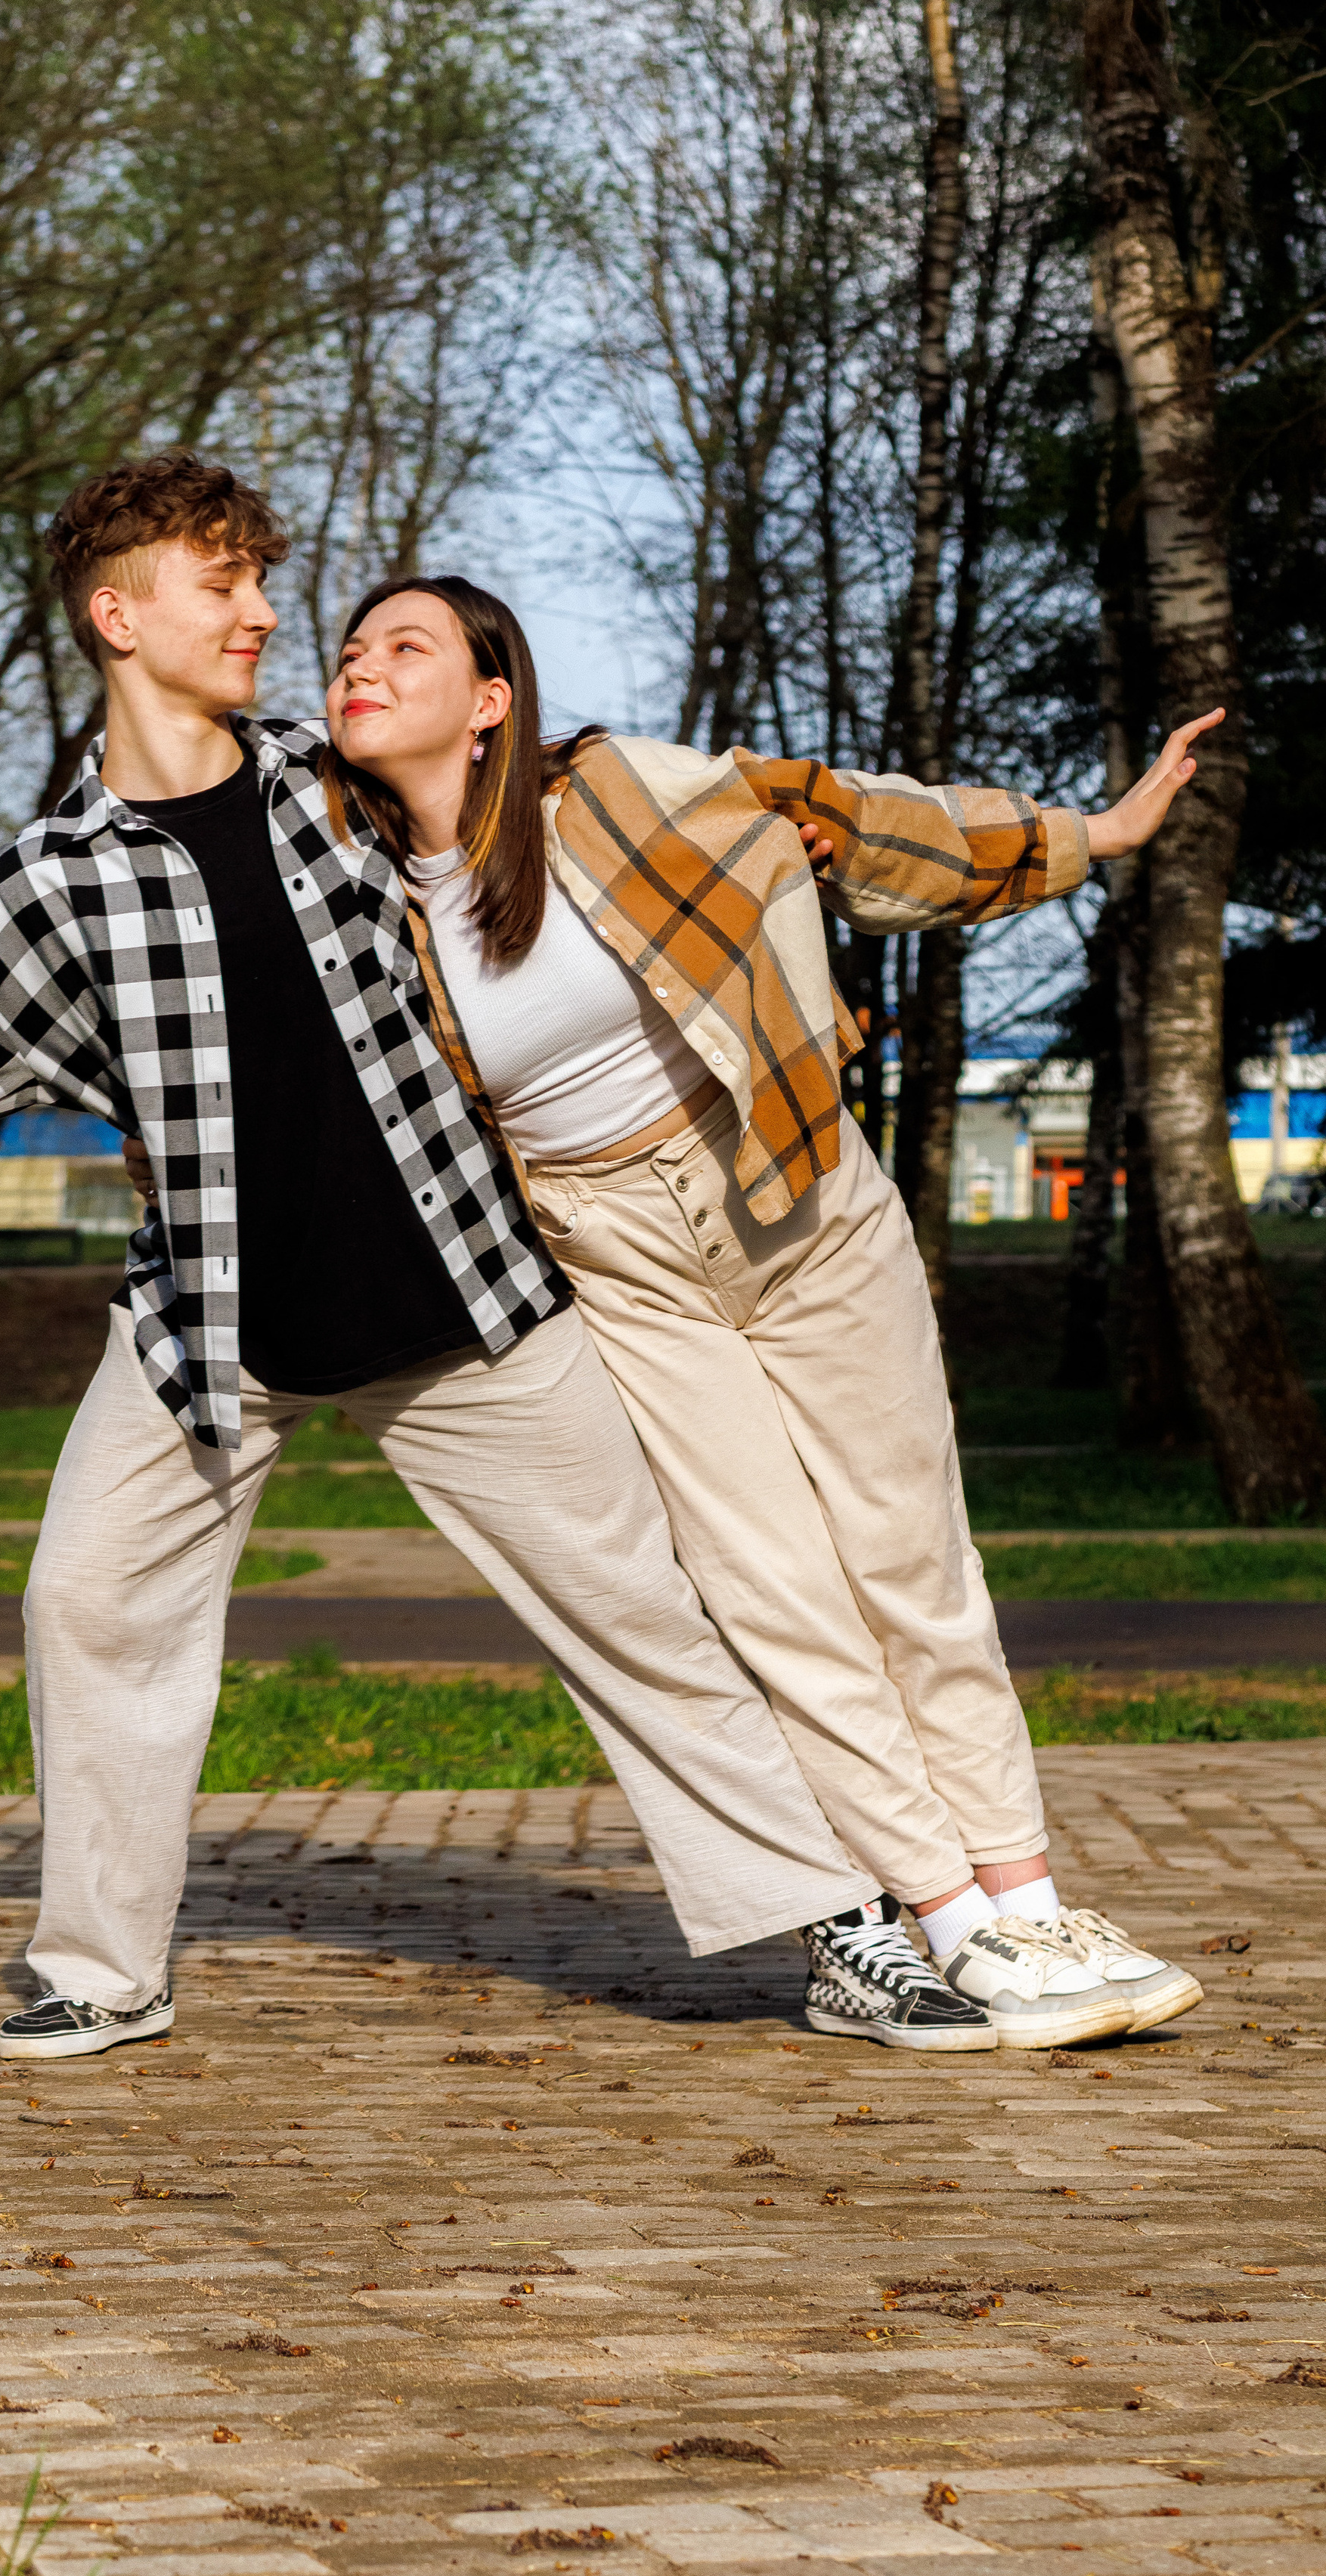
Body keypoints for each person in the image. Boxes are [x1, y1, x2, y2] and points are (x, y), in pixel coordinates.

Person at [0, 451, 963, 2063]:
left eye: (261, 579)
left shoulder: (343, 792)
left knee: (646, 1614)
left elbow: (574, 836)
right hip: (209, 1341)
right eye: (220, 582)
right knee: (85, 1602)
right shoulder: (51, 888)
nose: (260, 612)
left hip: (468, 1307)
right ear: (118, 617)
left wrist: (771, 913)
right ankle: (100, 1967)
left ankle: (844, 1932)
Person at [302, 572, 1210, 2053]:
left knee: (905, 1560)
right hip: (614, 1255)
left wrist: (1081, 839)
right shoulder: (349, 888)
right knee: (774, 1595)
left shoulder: (613, 793)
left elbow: (846, 818)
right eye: (347, 652)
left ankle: (1027, 1899)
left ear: (488, 698)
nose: (360, 666)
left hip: (787, 1190)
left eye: (403, 646)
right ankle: (956, 1929)